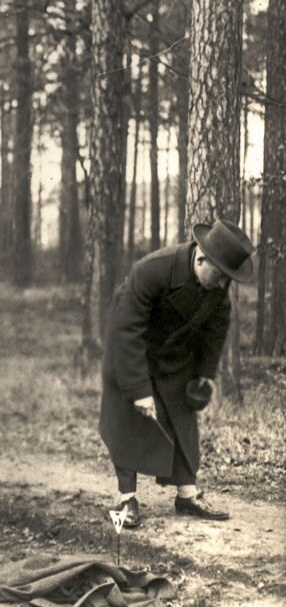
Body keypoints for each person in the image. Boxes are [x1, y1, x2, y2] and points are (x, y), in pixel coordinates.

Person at [100, 217, 255, 528]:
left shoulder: (215, 286)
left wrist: (205, 374)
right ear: (201, 258)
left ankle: (187, 495)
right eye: (221, 275)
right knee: (128, 422)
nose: (224, 285)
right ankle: (126, 499)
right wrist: (139, 390)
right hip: (131, 354)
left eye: (228, 279)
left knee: (183, 420)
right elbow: (125, 330)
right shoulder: (152, 270)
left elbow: (216, 330)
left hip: (174, 358)